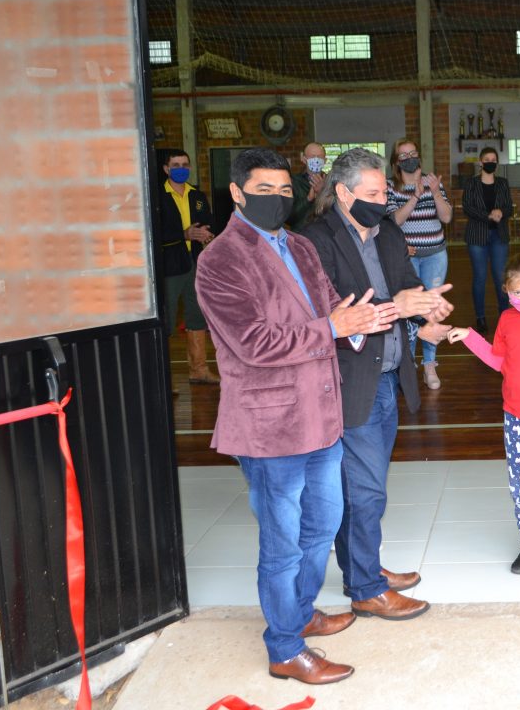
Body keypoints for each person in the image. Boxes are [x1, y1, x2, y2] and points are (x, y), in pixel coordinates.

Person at [196, 147, 397, 685]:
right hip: (270, 426)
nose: (278, 200)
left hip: (321, 417)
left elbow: (336, 308)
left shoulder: (303, 247)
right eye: (264, 191)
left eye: (285, 191)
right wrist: (334, 328)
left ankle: (300, 612)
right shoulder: (221, 259)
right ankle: (284, 646)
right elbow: (253, 343)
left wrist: (375, 318)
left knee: (324, 522)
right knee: (283, 541)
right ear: (237, 193)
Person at [302, 147, 455, 624]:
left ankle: (362, 569)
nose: (382, 199)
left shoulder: (389, 231)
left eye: (384, 191)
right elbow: (329, 313)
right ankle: (366, 589)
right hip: (346, 381)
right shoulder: (315, 240)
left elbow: (408, 285)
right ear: (343, 193)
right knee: (366, 492)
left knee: (363, 488)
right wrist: (401, 304)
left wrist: (428, 311)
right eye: (372, 193)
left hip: (389, 375)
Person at [447, 253, 520, 575]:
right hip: (515, 417)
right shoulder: (508, 320)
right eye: (517, 293)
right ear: (506, 291)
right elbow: (499, 361)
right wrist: (469, 337)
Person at [386, 138, 453, 390]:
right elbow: (394, 222)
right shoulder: (391, 186)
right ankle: (408, 364)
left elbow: (446, 217)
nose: (410, 158)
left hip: (435, 254)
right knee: (410, 312)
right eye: (404, 155)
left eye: (413, 153)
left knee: (431, 309)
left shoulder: (432, 181)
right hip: (406, 259)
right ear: (396, 162)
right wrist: (414, 197)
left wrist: (434, 192)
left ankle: (430, 364)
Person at [159, 150, 220, 384]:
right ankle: (164, 379)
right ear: (166, 169)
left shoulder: (197, 195)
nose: (181, 168)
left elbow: (209, 221)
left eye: (185, 164)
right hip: (170, 267)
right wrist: (184, 234)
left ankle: (199, 370)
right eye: (176, 165)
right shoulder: (158, 197)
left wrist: (206, 234)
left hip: (195, 263)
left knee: (196, 315)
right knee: (168, 320)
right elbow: (156, 231)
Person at [462, 147, 514, 333]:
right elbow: (467, 207)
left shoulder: (502, 183)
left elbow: (509, 207)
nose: (490, 161)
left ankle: (504, 315)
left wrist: (502, 212)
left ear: (497, 163)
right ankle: (480, 317)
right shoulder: (471, 183)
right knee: (480, 278)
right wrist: (488, 216)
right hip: (477, 236)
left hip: (499, 236)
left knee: (501, 277)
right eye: (487, 159)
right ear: (480, 162)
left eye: (493, 159)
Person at [289, 142, 327, 232]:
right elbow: (289, 218)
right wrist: (308, 199)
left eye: (320, 156)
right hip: (302, 237)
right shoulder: (293, 182)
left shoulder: (332, 182)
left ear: (325, 160)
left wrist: (323, 193)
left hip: (326, 236)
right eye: (312, 156)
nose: (316, 159)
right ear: (303, 159)